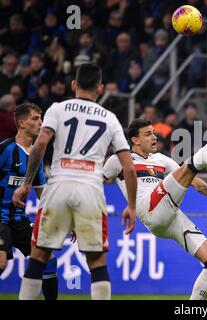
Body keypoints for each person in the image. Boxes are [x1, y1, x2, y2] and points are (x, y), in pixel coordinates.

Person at [103, 97, 207, 299]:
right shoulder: (119, 160)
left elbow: (191, 178)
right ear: (135, 140)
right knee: (188, 167)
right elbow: (94, 184)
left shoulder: (162, 160)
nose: (154, 137)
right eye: (147, 135)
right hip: (149, 208)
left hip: (170, 216)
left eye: (154, 133)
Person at [12, 63, 138, 300]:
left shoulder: (58, 109)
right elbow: (129, 168)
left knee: (38, 257)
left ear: (73, 85)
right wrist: (131, 206)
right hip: (90, 190)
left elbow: (40, 144)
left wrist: (27, 183)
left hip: (58, 186)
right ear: (100, 88)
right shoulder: (110, 119)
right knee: (97, 263)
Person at [0, 103, 58, 300]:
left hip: (19, 221)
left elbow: (43, 194)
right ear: (21, 123)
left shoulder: (36, 156)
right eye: (35, 118)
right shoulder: (6, 149)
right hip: (0, 220)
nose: (40, 122)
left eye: (41, 118)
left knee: (48, 259)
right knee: (0, 263)